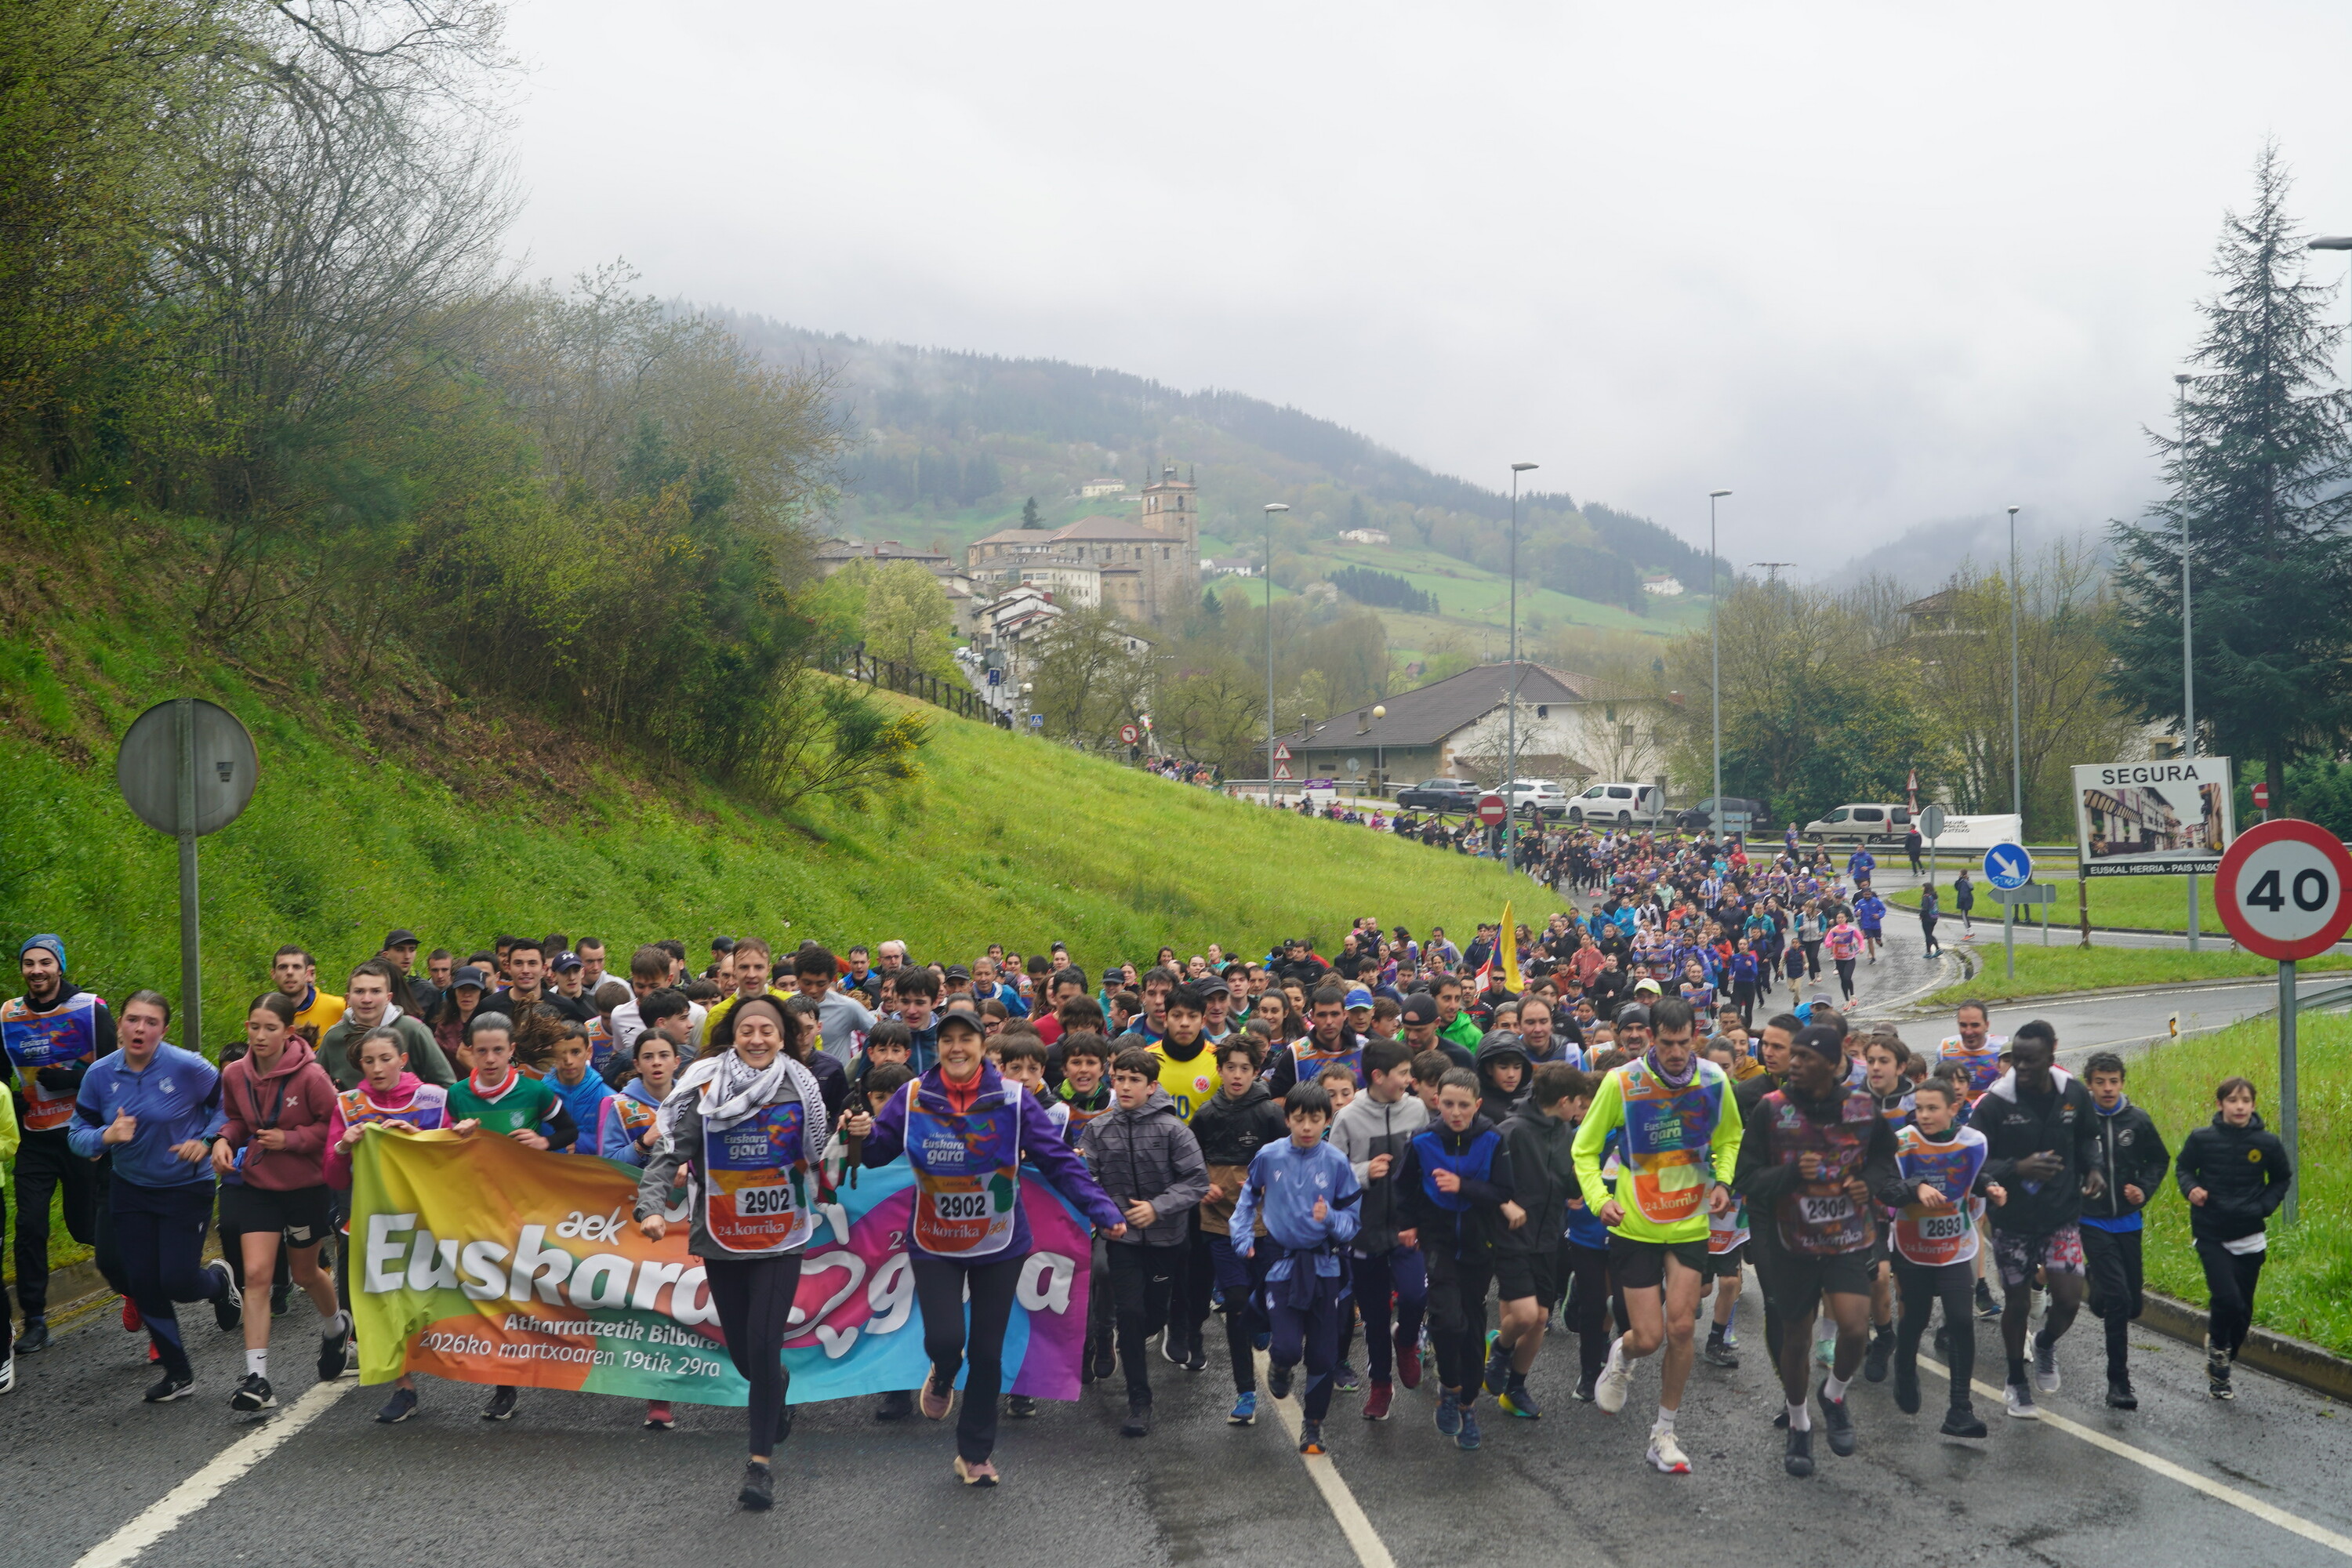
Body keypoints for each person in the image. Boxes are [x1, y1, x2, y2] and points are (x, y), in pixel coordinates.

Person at [861, 1004, 1126, 1487]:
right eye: (948, 1041)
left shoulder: (1013, 1099)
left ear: (985, 1048)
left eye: (967, 1039)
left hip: (1000, 1243)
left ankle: (975, 1453)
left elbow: (1060, 1161)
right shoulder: (914, 1094)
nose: (957, 1048)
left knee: (987, 1352)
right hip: (934, 1241)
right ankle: (942, 1371)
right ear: (938, 1048)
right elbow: (878, 1154)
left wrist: (1103, 1211)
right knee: (947, 1340)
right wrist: (859, 1134)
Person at [638, 996, 848, 1509]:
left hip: (782, 1238)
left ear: (785, 1038)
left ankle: (759, 1469)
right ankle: (775, 1387)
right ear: (734, 1033)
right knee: (747, 1357)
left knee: (764, 1342)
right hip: (721, 1237)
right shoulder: (704, 1086)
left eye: (768, 1031)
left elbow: (824, 1161)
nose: (757, 1039)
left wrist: (853, 1143)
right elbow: (670, 1150)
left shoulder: (802, 1089)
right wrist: (651, 1204)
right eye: (747, 1030)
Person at [1571, 995, 1741, 1475]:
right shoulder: (1621, 1082)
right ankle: (1622, 1353)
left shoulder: (1712, 1079)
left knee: (1682, 1327)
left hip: (1689, 1221)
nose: (1674, 1053)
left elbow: (1730, 1136)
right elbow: (1584, 1151)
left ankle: (1663, 1433)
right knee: (1648, 1337)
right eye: (1666, 1043)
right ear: (1650, 1037)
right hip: (1635, 1225)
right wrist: (1600, 1201)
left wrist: (1723, 1181)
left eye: (1683, 1043)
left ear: (1696, 1037)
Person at [1734, 1024, 1910, 1476]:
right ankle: (1799, 1424)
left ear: (1833, 1065)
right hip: (1791, 1240)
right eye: (1792, 1056)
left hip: (1848, 1238)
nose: (1794, 1064)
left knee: (1854, 1330)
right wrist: (1791, 1175)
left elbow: (1884, 1161)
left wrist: (1866, 1184)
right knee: (1797, 1337)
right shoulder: (1771, 1111)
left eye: (1805, 1059)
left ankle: (1834, 1394)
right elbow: (1747, 1178)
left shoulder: (1861, 1106)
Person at [67, 989, 240, 1403]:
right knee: (143, 1281)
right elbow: (76, 1135)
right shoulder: (100, 1075)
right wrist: (106, 1136)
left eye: (150, 1022)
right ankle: (179, 1374)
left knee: (177, 1281)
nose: (139, 1028)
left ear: (163, 1029)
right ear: (121, 1024)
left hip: (186, 1185)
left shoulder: (188, 1067)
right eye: (132, 1019)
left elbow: (229, 1109)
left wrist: (208, 1139)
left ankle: (219, 1283)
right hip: (130, 1189)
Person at [213, 991, 347, 1412]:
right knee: (256, 1275)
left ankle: (335, 1326)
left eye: (270, 1028)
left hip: (305, 1187)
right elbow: (235, 1119)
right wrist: (222, 1140)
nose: (260, 1036)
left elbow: (332, 1125)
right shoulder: (235, 1073)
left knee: (307, 1273)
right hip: (257, 1183)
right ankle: (258, 1378)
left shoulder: (311, 1077)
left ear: (288, 1032)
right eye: (254, 1027)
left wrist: (291, 1139)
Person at [1078, 1047, 1210, 1438]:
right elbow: (1087, 1180)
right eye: (1120, 1078)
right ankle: (1139, 1401)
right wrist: (1108, 1215)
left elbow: (1196, 1182)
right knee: (1131, 1315)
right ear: (1112, 1080)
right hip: (1122, 1240)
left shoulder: (1174, 1130)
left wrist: (1156, 1208)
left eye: (1136, 1080)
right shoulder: (1098, 1129)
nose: (1126, 1086)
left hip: (1168, 1240)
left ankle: (1146, 1331)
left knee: (1153, 1315)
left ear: (1152, 1087)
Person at [1973, 1020, 2100, 1420]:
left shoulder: (2073, 1094)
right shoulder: (1996, 1102)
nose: (2022, 1070)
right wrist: (2018, 1167)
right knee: (2016, 1301)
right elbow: (1974, 1161)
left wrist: (2093, 1168)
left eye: (2031, 1061)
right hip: (2012, 1219)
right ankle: (2016, 1381)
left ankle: (2045, 1344)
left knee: (2067, 1299)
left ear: (2052, 1054)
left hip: (2061, 1214)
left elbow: (2087, 1138)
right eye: (2017, 1061)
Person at [324, 1025, 452, 1422]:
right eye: (368, 1061)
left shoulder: (433, 1099)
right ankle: (404, 1386)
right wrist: (344, 1145)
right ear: (358, 1064)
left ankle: (492, 1375)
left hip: (430, 1218)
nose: (377, 1068)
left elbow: (453, 1156)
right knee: (384, 1301)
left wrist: (419, 1137)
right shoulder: (348, 1105)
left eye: (385, 1059)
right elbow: (334, 1176)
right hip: (376, 1222)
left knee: (435, 1301)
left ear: (403, 1059)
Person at [1231, 1081, 1363, 1458]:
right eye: (1299, 1119)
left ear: (1326, 1122)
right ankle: (1280, 1366)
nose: (1307, 1127)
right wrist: (1242, 1239)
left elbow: (1353, 1223)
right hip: (1281, 1265)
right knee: (1287, 1346)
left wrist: (1331, 1218)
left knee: (1322, 1355)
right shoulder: (1269, 1157)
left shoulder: (1337, 1163)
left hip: (1325, 1267)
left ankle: (1314, 1426)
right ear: (1288, 1119)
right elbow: (1245, 1202)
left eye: (1315, 1120)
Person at [4, 934, 119, 1356]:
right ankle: (34, 1319)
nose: (36, 970)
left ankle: (131, 1283)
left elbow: (115, 1072)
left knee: (84, 1227)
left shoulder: (89, 1009)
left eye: (45, 963)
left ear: (60, 967)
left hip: (82, 1133)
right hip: (35, 1138)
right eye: (29, 963)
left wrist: (72, 1080)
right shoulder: (9, 1016)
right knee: (30, 1225)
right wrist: (12, 1100)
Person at [1399, 1067, 1522, 1453]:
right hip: (1437, 1242)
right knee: (1447, 1320)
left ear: (1477, 1105)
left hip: (1478, 1243)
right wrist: (1407, 1225)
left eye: (1463, 1105)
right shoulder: (1422, 1141)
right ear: (1437, 1102)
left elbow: (1504, 1191)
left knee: (1470, 1329)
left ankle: (1467, 1405)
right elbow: (1404, 1188)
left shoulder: (1491, 1138)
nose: (1455, 1112)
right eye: (1448, 1104)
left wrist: (1463, 1186)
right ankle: (1448, 1389)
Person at [1887, 1076, 2000, 1438]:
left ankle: (1960, 1409)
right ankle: (1905, 1368)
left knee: (1960, 1320)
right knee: (1916, 1318)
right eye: (1919, 1108)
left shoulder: (1972, 1141)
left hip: (1954, 1246)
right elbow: (1885, 1187)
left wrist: (1991, 1185)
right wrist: (1915, 1188)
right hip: (1913, 1247)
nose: (1924, 1115)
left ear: (1954, 1108)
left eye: (1932, 1108)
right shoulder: (1902, 1143)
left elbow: (1976, 1174)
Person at [1329, 1036, 1429, 1421]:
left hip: (1407, 1229)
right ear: (1378, 1076)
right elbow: (1332, 1174)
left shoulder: (1417, 1111)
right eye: (1403, 1073)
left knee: (1415, 1298)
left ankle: (1406, 1342)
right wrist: (1363, 1172)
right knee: (1372, 1318)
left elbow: (1426, 1161)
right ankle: (1381, 1386)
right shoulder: (1349, 1117)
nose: (1409, 1080)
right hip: (1364, 1231)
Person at [2175, 1075, 2292, 1400]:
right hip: (2211, 1232)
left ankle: (2223, 1357)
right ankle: (2218, 1353)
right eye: (2232, 1100)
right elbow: (2183, 1168)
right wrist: (2191, 1189)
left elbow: (2282, 1178)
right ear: (2220, 1104)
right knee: (2227, 1299)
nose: (2239, 1107)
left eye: (2245, 1101)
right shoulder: (2202, 1138)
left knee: (2242, 1314)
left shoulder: (2266, 1143)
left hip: (2250, 1235)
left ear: (2253, 1105)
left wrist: (2265, 1206)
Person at [1192, 1035, 1287, 1424]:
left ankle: (1263, 1324)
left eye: (1244, 1068)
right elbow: (1188, 1161)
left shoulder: (1268, 1115)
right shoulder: (1206, 1115)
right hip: (1219, 1222)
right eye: (1229, 1067)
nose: (1236, 1075)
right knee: (1235, 1302)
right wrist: (1202, 1184)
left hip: (1264, 1221)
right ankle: (1245, 1393)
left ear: (1256, 1071)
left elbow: (1289, 1159)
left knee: (1262, 1303)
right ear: (1219, 1070)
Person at [1488, 1062, 1586, 1418]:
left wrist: (1577, 1186)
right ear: (1564, 1101)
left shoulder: (1565, 1133)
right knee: (1526, 1314)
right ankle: (1499, 1349)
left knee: (1541, 1317)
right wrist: (1506, 1203)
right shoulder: (1510, 1131)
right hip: (1513, 1237)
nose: (1579, 1110)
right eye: (1578, 1103)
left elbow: (1566, 1184)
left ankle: (1516, 1386)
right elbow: (1486, 1181)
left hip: (1549, 1236)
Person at [2078, 1051, 2169, 1410]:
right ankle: (2119, 1382)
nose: (2107, 1088)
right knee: (2118, 1301)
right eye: (2100, 1081)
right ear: (2089, 1084)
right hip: (2092, 1219)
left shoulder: (2138, 1120)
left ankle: (2095, 1282)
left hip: (2129, 1220)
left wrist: (2143, 1189)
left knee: (2130, 1303)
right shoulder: (2080, 1123)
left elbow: (2159, 1159)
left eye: (2113, 1081)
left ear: (2122, 1083)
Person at [320, 960, 453, 1090]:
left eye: (376, 991)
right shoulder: (334, 1037)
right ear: (348, 998)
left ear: (388, 997)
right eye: (359, 991)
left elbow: (446, 1084)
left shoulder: (413, 1031)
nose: (367, 999)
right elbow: (315, 1085)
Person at [1824, 915, 1863, 1003]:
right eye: (1838, 918)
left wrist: (1861, 948)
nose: (1840, 919)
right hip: (1839, 958)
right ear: (1836, 919)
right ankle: (1846, 1000)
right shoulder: (1833, 930)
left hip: (1850, 958)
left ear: (1846, 919)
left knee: (1847, 977)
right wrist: (1833, 941)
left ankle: (1853, 995)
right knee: (1843, 979)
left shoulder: (1852, 929)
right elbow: (1827, 944)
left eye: (1842, 918)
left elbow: (1860, 939)